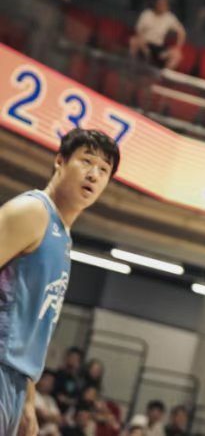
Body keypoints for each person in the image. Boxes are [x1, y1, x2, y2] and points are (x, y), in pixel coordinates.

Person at [0, 130, 120, 436]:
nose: (93, 174)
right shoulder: (32, 212)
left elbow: (29, 328)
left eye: (103, 169)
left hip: (15, 382)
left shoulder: (63, 237)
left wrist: (28, 400)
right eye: (86, 161)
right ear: (60, 161)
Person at [130, 0, 186, 70]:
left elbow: (182, 32)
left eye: (163, 4)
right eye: (159, 3)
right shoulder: (147, 14)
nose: (161, 6)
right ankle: (132, 68)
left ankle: (162, 74)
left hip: (159, 48)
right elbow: (138, 30)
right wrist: (142, 43)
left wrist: (177, 47)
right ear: (156, 4)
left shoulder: (169, 17)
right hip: (145, 44)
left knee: (177, 56)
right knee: (133, 41)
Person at [53, 348, 84, 412]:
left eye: (77, 359)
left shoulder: (77, 379)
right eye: (72, 357)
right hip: (54, 406)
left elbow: (77, 398)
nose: (74, 360)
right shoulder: (58, 374)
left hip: (68, 411)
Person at [34, 371, 63, 436]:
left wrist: (49, 417)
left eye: (51, 382)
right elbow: (42, 416)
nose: (49, 384)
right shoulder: (34, 395)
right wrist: (52, 418)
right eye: (47, 380)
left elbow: (60, 420)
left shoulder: (51, 399)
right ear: (40, 380)